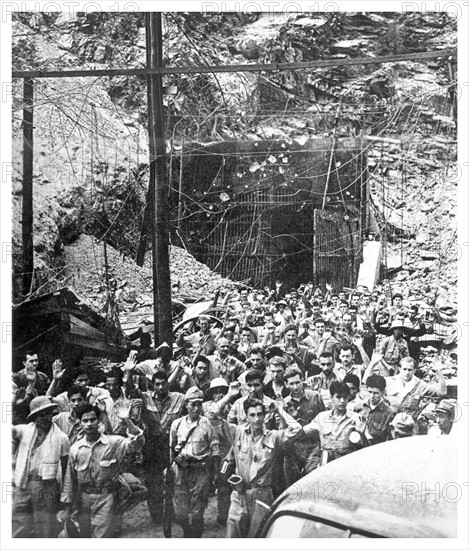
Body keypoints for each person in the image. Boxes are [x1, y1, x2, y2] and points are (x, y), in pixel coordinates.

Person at [61, 403, 144, 537]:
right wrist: (67, 507)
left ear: (99, 421)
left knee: (102, 537)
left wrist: (127, 421)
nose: (89, 424)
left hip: (106, 499)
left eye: (93, 420)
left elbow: (137, 443)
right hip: (83, 499)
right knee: (83, 535)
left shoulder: (113, 443)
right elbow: (69, 479)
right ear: (80, 423)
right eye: (85, 421)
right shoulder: (75, 448)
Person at [226, 396, 302, 538]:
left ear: (265, 415)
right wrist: (229, 395)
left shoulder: (273, 436)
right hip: (239, 495)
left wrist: (280, 409)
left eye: (260, 414)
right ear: (246, 416)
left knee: (259, 537)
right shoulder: (237, 433)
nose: (256, 419)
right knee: (234, 537)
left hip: (263, 495)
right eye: (252, 415)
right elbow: (213, 416)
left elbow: (297, 429)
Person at [12, 396, 70, 537]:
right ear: (34, 418)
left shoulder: (61, 438)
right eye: (40, 415)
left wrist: (65, 498)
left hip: (47, 487)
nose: (45, 418)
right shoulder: (25, 431)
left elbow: (66, 470)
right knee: (18, 525)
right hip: (23, 483)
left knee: (45, 529)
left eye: (48, 414)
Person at [169, 387, 220, 537]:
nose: (196, 408)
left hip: (200, 470)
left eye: (199, 404)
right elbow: (171, 448)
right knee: (180, 511)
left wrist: (215, 473)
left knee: (198, 510)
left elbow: (215, 450)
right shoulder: (177, 424)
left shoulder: (206, 424)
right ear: (186, 404)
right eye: (193, 404)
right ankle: (187, 531)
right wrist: (169, 468)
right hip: (180, 470)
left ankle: (196, 536)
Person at [140, 369, 185, 524]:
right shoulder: (145, 398)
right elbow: (131, 392)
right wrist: (128, 373)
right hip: (151, 446)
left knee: (173, 480)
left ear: (168, 383)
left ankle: (172, 514)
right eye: (157, 384)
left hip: (171, 445)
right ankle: (156, 514)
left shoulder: (179, 398)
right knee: (152, 481)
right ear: (153, 385)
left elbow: (195, 396)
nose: (160, 387)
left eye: (163, 383)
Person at [367, 356, 447, 433]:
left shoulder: (420, 385)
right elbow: (368, 381)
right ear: (399, 369)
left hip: (410, 426)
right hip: (390, 424)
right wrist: (372, 364)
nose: (407, 373)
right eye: (404, 369)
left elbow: (442, 393)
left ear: (414, 370)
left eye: (410, 370)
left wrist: (439, 373)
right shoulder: (389, 381)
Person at [282, 367, 325, 484]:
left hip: (313, 447)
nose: (295, 387)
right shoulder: (283, 404)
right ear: (286, 384)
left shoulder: (315, 396)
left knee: (312, 481)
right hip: (294, 450)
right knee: (292, 485)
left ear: (303, 381)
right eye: (291, 384)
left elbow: (323, 421)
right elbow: (282, 430)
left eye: (297, 382)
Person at [303, 381, 363, 464]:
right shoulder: (322, 417)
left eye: (345, 397)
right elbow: (303, 432)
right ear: (331, 398)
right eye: (338, 397)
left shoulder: (355, 418)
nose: (342, 401)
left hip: (347, 461)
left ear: (348, 397)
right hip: (326, 460)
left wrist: (362, 434)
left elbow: (364, 447)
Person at [358, 374, 395, 445]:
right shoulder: (358, 406)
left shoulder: (389, 413)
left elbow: (390, 440)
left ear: (382, 392)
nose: (372, 396)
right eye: (369, 392)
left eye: (375, 393)